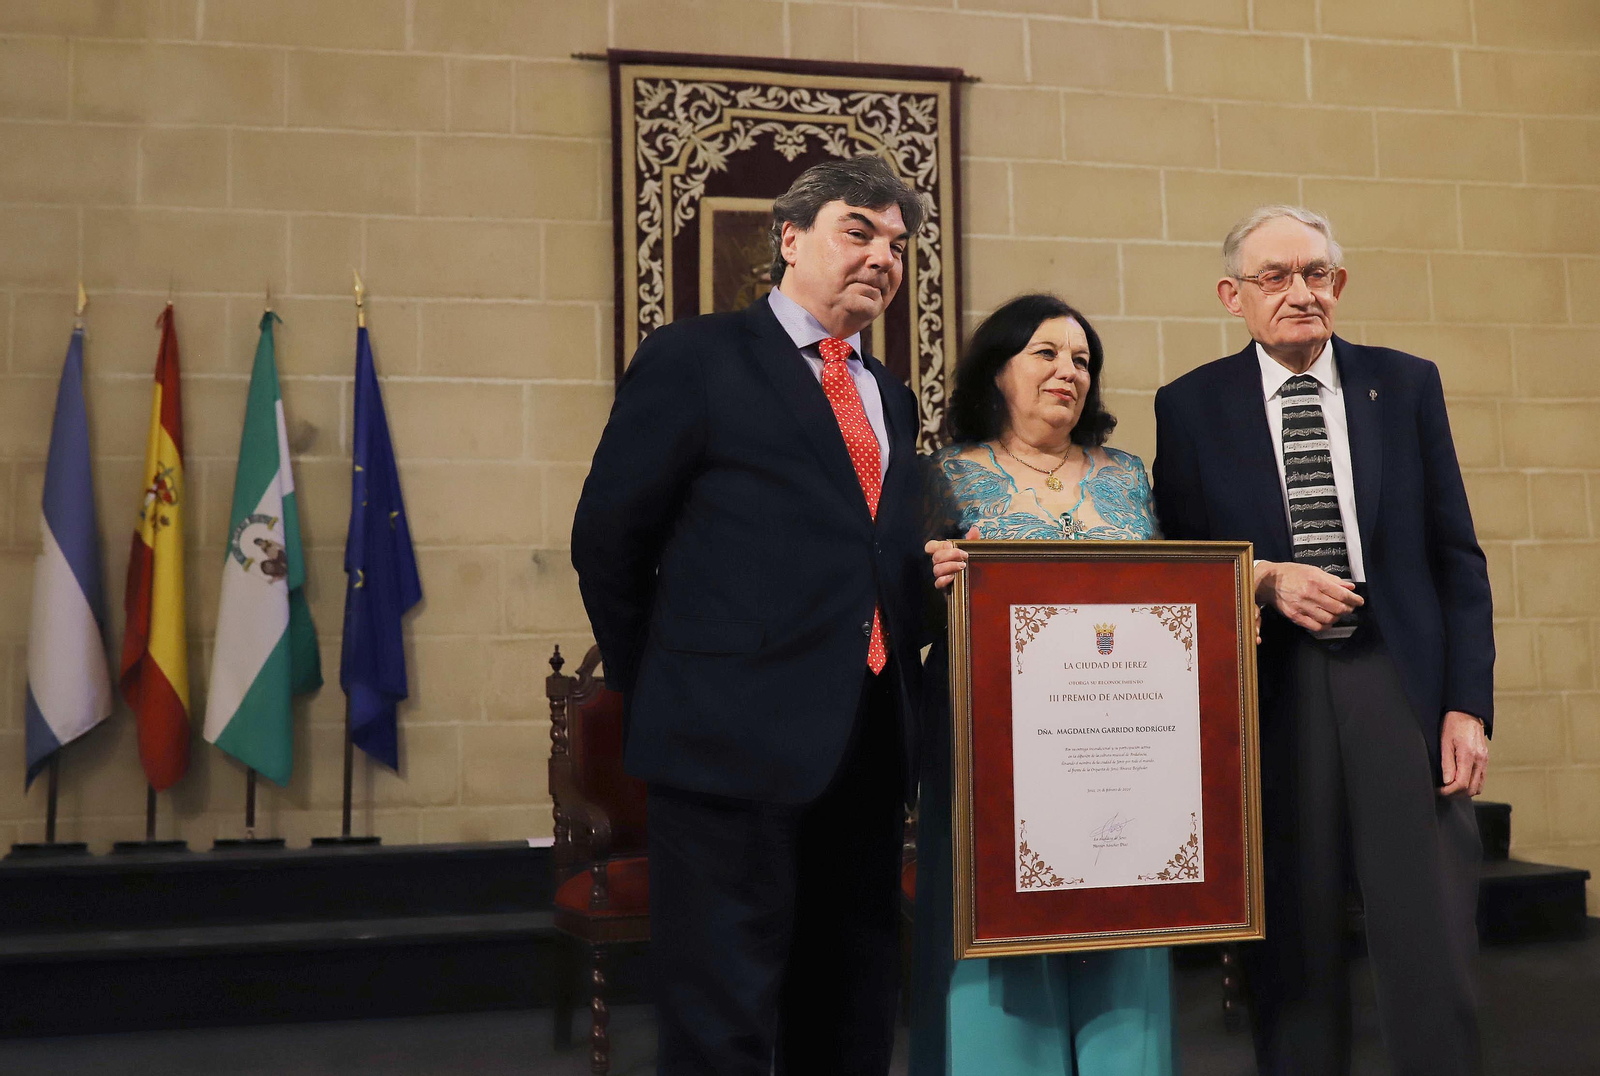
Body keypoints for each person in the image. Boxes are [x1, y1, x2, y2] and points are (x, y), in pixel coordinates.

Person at [571, 154, 932, 1076]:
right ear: (790, 238)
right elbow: (608, 541)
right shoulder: (695, 359)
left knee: (851, 1011)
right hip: (723, 751)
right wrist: (666, 684)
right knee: (722, 1021)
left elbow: (868, 556)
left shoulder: (890, 395)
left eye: (898, 245)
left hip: (864, 750)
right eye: (859, 232)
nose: (883, 258)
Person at [1151, 205, 1492, 1076]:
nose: (1300, 292)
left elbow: (1457, 556)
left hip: (1397, 677)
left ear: (1338, 285)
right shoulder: (1189, 407)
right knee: (1291, 933)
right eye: (1275, 277)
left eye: (1316, 274)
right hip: (1273, 686)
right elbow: (1180, 565)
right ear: (1232, 295)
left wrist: (1467, 705)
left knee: (1429, 926)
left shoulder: (1405, 384)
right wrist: (1266, 577)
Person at [920, 293, 1178, 1076]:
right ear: (997, 370)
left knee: (1125, 931)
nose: (1069, 370)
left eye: (1082, 359)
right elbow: (909, 609)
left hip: (1122, 753)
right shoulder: (945, 477)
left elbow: (1171, 597)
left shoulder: (1128, 475)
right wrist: (929, 578)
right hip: (993, 754)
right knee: (1002, 940)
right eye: (1046, 353)